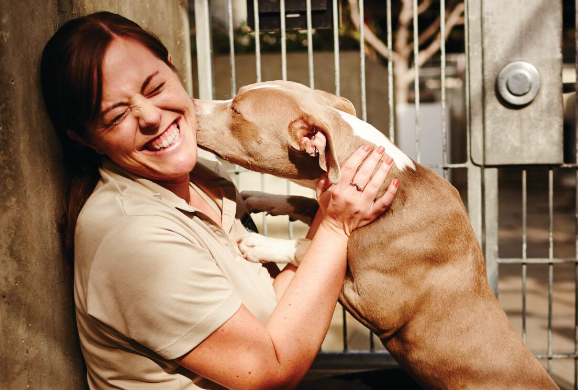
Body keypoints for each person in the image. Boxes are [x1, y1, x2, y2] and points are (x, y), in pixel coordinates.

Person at [40, 12, 399, 389]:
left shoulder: (205, 177)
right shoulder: (131, 237)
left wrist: (329, 204)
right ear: (84, 139)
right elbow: (269, 373)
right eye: (116, 115)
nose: (149, 116)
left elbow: (273, 306)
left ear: (172, 68)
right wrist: (336, 226)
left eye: (153, 87)